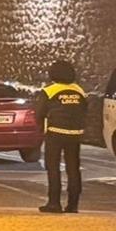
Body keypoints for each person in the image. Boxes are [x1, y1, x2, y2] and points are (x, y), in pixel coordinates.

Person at [39, 59, 88, 214]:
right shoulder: (79, 91)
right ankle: (73, 205)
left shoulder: (49, 91)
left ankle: (54, 203)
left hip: (55, 132)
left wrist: (41, 128)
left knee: (53, 167)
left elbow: (39, 113)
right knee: (73, 168)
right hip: (75, 133)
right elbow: (85, 110)